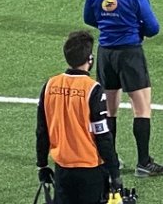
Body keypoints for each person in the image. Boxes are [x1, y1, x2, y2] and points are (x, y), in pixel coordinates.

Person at [83, 0, 163, 178]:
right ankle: (143, 162)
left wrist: (108, 23)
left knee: (110, 110)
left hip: (106, 54)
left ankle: (110, 160)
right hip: (130, 54)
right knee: (141, 108)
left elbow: (89, 17)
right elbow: (153, 28)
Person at [36, 31, 122, 204]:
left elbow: (41, 130)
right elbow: (103, 135)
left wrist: (43, 164)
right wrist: (114, 172)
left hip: (62, 169)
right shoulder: (93, 89)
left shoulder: (50, 85)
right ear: (90, 59)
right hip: (90, 170)